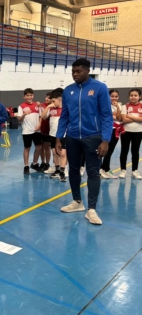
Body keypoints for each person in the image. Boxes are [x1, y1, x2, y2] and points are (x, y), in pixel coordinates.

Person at [56, 58, 112, 225]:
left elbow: (106, 115)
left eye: (78, 71)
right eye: (73, 71)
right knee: (73, 170)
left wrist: (105, 140)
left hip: (93, 137)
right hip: (73, 137)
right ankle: (77, 202)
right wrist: (59, 137)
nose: (75, 74)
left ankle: (92, 210)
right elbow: (64, 116)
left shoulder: (100, 88)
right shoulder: (68, 91)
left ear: (88, 71)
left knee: (93, 172)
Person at [42, 89, 67, 182]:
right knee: (54, 152)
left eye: (53, 101)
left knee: (62, 153)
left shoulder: (65, 109)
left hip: (63, 135)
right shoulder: (51, 109)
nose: (52, 103)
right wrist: (48, 106)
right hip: (52, 134)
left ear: (59, 100)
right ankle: (57, 169)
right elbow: (43, 116)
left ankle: (63, 171)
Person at [17, 88, 42, 174]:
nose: (29, 97)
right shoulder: (21, 106)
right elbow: (19, 120)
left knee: (39, 147)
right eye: (27, 95)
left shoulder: (37, 105)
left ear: (33, 96)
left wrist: (39, 125)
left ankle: (34, 163)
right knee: (27, 148)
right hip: (27, 131)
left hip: (37, 130)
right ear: (24, 97)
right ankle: (26, 166)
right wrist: (24, 114)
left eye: (31, 95)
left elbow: (41, 116)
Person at [119, 88, 142, 180]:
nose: (133, 97)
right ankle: (123, 170)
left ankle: (134, 170)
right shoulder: (125, 106)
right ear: (129, 97)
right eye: (131, 95)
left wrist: (129, 116)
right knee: (124, 150)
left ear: (139, 96)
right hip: (126, 131)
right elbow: (124, 120)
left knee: (135, 151)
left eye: (135, 95)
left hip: (138, 131)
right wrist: (137, 118)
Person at [100, 89, 122, 179]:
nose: (114, 98)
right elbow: (108, 117)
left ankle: (106, 169)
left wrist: (118, 109)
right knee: (105, 150)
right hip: (108, 130)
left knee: (110, 150)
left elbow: (119, 118)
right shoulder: (105, 105)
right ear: (108, 96)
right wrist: (113, 115)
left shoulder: (119, 105)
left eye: (116, 96)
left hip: (116, 130)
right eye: (112, 96)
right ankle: (101, 169)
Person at [39, 92, 53, 173]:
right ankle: (43, 162)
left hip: (49, 130)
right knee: (41, 147)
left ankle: (47, 163)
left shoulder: (53, 107)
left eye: (49, 98)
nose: (47, 99)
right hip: (41, 130)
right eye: (46, 97)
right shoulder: (41, 105)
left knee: (47, 147)